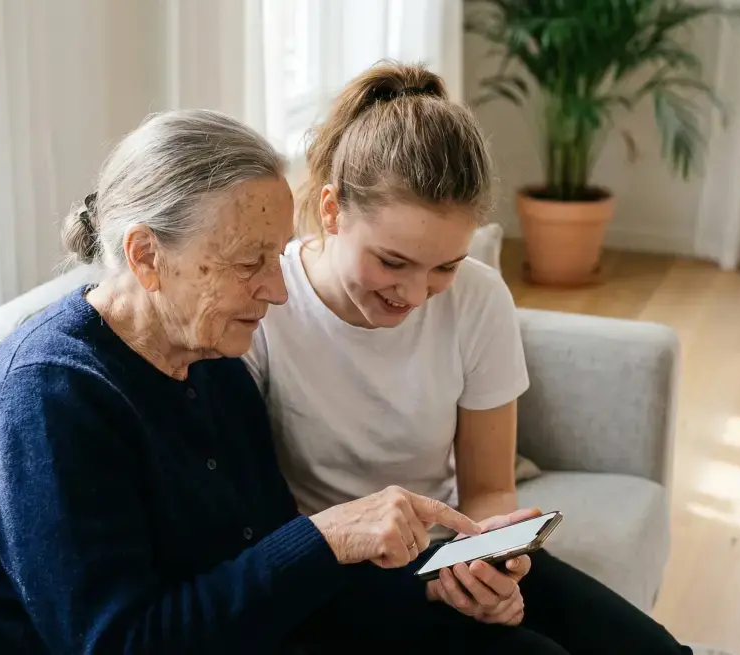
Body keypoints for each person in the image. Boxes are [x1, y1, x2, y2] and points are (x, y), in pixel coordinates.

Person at [0, 108, 546, 654]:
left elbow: (265, 576)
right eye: (247, 262)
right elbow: (119, 643)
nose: (279, 290)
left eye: (277, 255)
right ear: (147, 256)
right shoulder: (49, 400)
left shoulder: (212, 357)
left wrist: (440, 594)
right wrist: (325, 536)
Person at [245, 61, 693, 654]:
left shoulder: (479, 299)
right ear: (332, 211)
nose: (413, 294)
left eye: (444, 267)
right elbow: (253, 526)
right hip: (336, 574)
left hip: (448, 554)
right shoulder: (267, 309)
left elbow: (486, 490)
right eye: (392, 261)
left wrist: (493, 563)